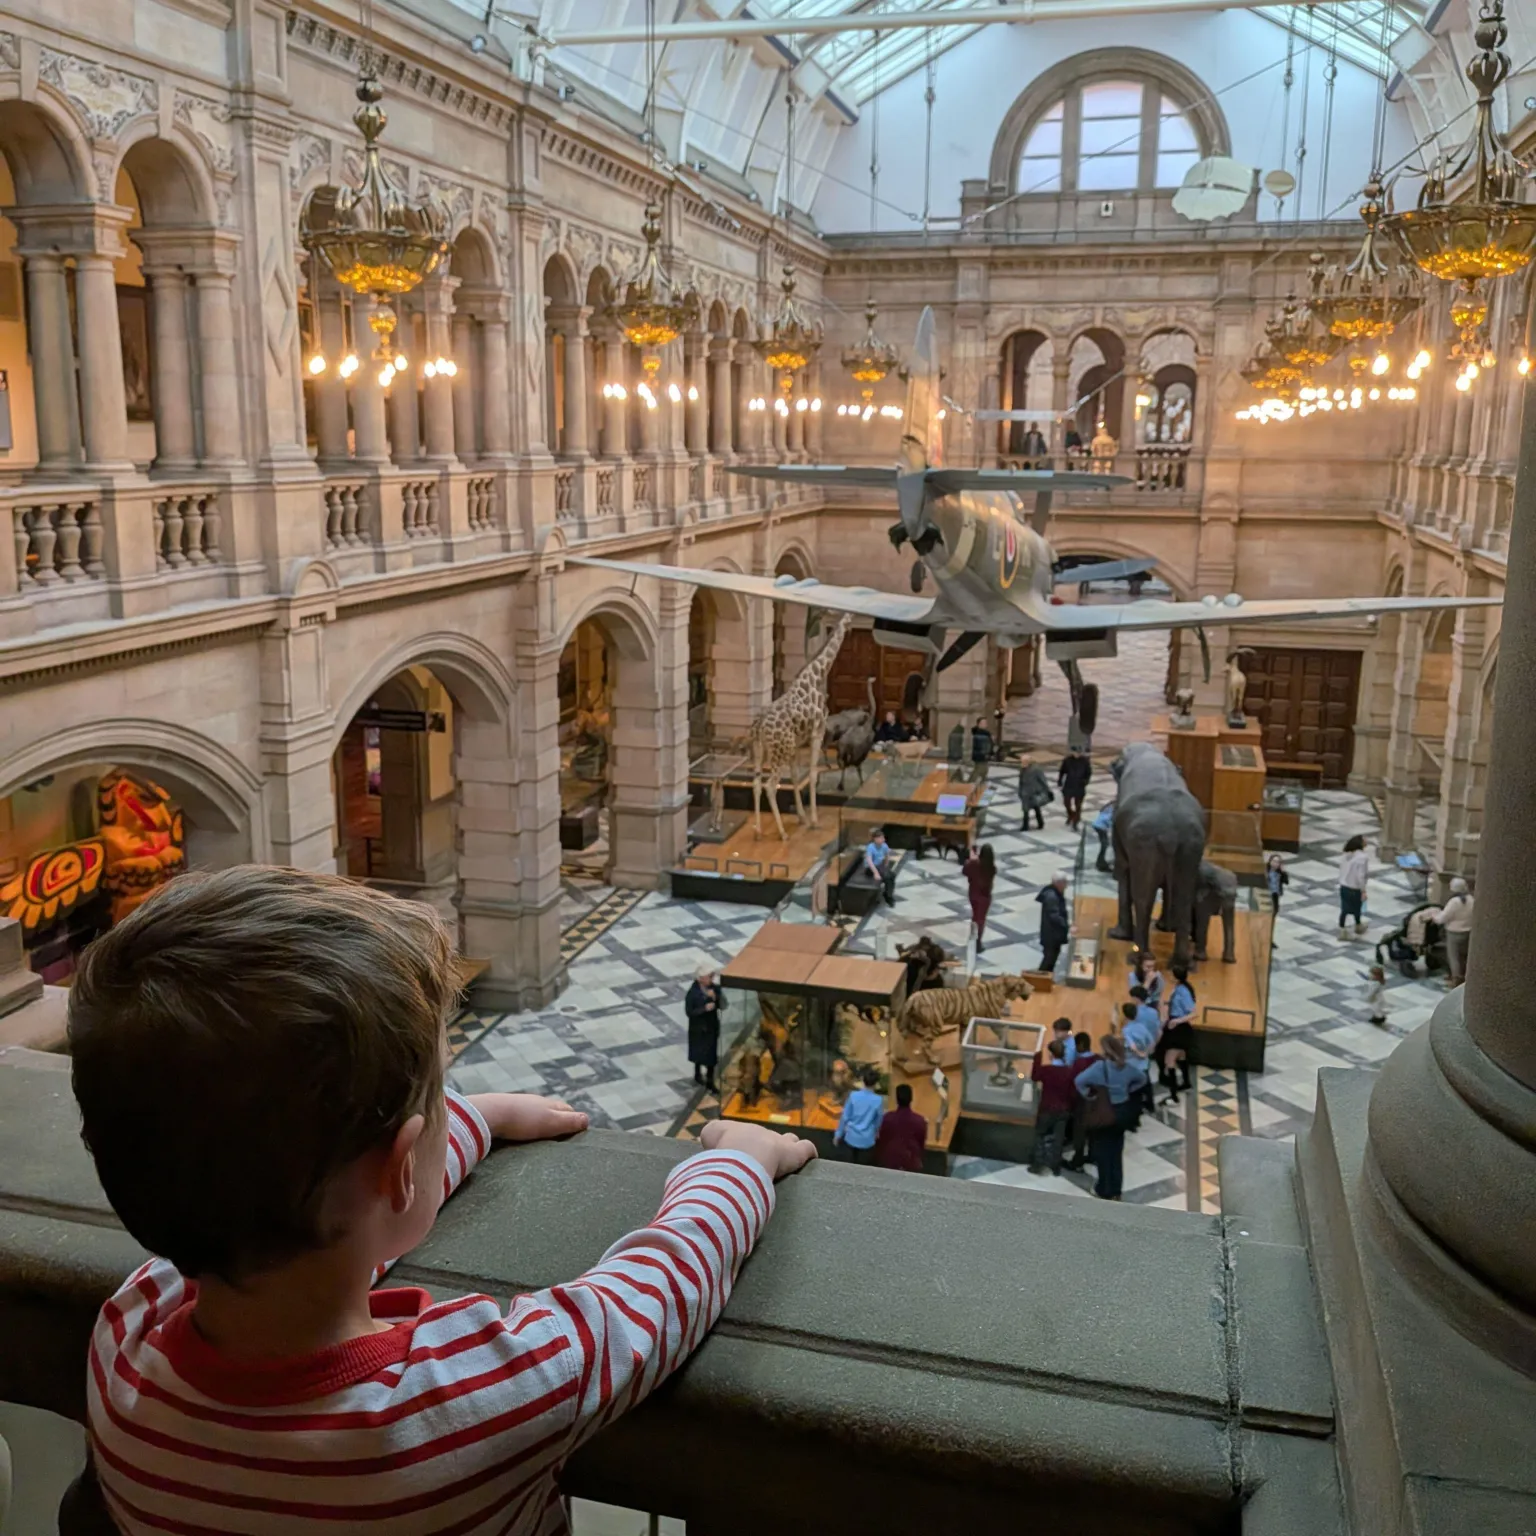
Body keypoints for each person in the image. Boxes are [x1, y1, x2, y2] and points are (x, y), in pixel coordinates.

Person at [65, 867, 816, 1531]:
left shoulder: (125, 1345)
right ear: (397, 1168)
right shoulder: (466, 1401)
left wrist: (473, 1122)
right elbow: (650, 1297)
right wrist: (738, 1162)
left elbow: (299, 1203)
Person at [1074, 1035, 1148, 1200]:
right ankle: (1116, 1189)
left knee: (1102, 1153)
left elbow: (1079, 1081)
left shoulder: (1100, 1067)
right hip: (1122, 1112)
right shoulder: (1127, 1067)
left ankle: (1104, 1189)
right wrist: (1127, 1090)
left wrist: (1090, 1096)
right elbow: (1142, 1079)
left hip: (1104, 1111)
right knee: (1116, 1152)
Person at [1029, 1038, 1081, 1175]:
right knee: (1058, 1139)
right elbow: (1072, 1092)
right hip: (1063, 1110)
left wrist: (1037, 1057)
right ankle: (1055, 1167)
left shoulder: (1047, 1070)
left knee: (1040, 1136)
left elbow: (1034, 1076)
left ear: (1051, 1054)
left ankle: (1037, 1165)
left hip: (1046, 1108)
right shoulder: (1070, 1072)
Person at [1157, 965, 1197, 1105]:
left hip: (1178, 1029)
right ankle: (1186, 1083)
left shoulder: (1183, 991)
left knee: (1170, 1060)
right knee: (1181, 1056)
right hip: (1175, 1026)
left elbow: (1193, 1013)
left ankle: (1173, 1096)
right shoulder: (1179, 988)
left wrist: (1176, 1020)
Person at [1119, 996, 1160, 1125]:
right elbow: (1152, 1042)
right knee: (1147, 1086)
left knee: (1132, 1094)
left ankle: (1133, 1120)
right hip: (1144, 1064)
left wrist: (1139, 1053)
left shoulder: (1126, 1030)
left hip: (1132, 1065)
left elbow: (1131, 1046)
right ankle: (1150, 1105)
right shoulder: (1142, 1027)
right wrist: (1146, 1053)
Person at [834, 1066, 884, 1164]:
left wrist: (838, 1135)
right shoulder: (878, 1100)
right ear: (876, 1083)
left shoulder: (853, 1096)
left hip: (851, 1138)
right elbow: (878, 1121)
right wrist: (876, 1133)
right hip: (867, 1141)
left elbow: (845, 1117)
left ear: (863, 1081)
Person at [875, 1082, 928, 1172]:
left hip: (889, 1161)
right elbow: (921, 1144)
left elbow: (882, 1139)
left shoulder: (887, 1118)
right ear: (911, 1099)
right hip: (911, 1162)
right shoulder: (920, 1121)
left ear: (896, 1099)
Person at [685, 966, 722, 1093]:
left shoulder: (714, 989)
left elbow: (724, 1004)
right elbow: (689, 1012)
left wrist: (715, 998)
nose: (711, 979)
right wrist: (704, 1009)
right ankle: (697, 1073)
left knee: (711, 1055)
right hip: (698, 1029)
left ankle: (710, 1080)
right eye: (709, 977)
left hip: (711, 1027)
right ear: (700, 979)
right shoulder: (692, 993)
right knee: (698, 1052)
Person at [1065, 1030, 1098, 1171]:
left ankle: (1077, 1161)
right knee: (1094, 1132)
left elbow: (1072, 1085)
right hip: (1097, 1102)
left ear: (1081, 1045)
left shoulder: (1079, 1064)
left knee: (1079, 1132)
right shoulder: (1099, 1059)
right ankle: (1093, 1156)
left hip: (1082, 1103)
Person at [1439, 876, 1474, 986]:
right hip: (1468, 932)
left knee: (1454, 957)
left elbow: (1443, 918)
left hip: (1454, 933)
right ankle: (1464, 976)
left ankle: (1456, 979)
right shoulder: (1472, 900)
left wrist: (1434, 916)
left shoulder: (1454, 902)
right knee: (1464, 956)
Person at [964, 842, 997, 952]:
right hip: (985, 896)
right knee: (981, 919)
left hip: (973, 894)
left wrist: (972, 858)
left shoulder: (974, 864)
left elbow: (965, 871)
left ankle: (973, 938)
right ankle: (977, 942)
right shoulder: (992, 868)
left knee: (975, 917)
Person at [1037, 872, 1071, 973]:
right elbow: (1054, 916)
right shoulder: (1052, 896)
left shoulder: (1054, 893)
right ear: (1059, 883)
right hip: (1051, 935)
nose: (1066, 885)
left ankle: (1046, 979)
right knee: (1049, 959)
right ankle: (1040, 980)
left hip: (1053, 934)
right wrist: (1067, 925)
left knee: (1052, 959)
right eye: (1065, 883)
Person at [1339, 834, 1370, 936]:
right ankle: (1358, 926)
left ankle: (1342, 929)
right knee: (1357, 908)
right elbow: (1361, 875)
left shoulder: (1345, 855)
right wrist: (1363, 890)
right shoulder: (1362, 857)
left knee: (1344, 909)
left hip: (1344, 886)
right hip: (1354, 887)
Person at [1058, 748, 1092, 828]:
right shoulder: (1067, 760)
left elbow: (1088, 773)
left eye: (1078, 753)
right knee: (1067, 803)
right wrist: (1059, 781)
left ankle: (1076, 821)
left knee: (1078, 805)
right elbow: (1062, 771)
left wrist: (1085, 782)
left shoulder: (1085, 761)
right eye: (1075, 752)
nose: (1077, 754)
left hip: (1079, 785)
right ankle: (1071, 814)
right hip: (1069, 784)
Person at [1017, 754, 1053, 830]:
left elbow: (1043, 780)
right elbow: (1021, 781)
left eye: (1024, 761)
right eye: (1022, 761)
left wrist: (1047, 790)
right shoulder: (1022, 769)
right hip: (1025, 793)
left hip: (1034, 792)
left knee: (1036, 808)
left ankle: (1040, 823)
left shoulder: (1036, 769)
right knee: (1025, 810)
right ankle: (1025, 825)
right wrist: (1020, 791)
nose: (1022, 763)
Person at [864, 827, 897, 906]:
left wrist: (886, 865)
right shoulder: (870, 847)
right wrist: (876, 873)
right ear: (875, 839)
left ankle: (888, 893)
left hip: (879, 866)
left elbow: (887, 855)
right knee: (887, 876)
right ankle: (888, 896)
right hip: (870, 868)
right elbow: (869, 861)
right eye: (881, 838)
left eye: (883, 838)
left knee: (892, 875)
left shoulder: (884, 845)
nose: (883, 840)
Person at [1265, 854, 1290, 922]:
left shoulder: (1280, 873)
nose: (1275, 864)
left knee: (1275, 910)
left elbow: (1286, 882)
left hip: (1275, 894)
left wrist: (1283, 872)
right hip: (1267, 893)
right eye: (1274, 861)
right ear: (1270, 861)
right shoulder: (1266, 870)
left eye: (1277, 862)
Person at [1092, 800, 1114, 872]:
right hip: (1100, 827)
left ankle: (1101, 862)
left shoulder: (1108, 807)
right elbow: (1109, 820)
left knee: (1104, 845)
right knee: (1104, 845)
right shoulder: (1112, 809)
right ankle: (1100, 863)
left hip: (1097, 825)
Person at [1364, 964, 1389, 1029]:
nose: (1370, 975)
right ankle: (1377, 1017)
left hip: (1375, 999)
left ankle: (1379, 1018)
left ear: (1376, 976)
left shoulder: (1376, 983)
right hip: (1377, 998)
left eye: (1372, 974)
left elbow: (1372, 992)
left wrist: (1368, 997)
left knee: (1376, 1008)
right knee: (1377, 1008)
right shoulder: (1377, 982)